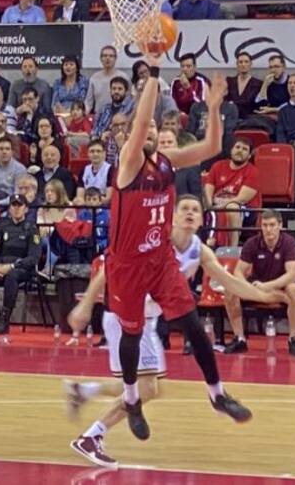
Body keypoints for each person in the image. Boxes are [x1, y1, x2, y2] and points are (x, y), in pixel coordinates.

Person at [63, 195, 272, 469]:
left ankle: (84, 392)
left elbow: (229, 282)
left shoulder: (199, 250)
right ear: (171, 216)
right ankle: (92, 436)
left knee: (150, 388)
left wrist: (261, 294)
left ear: (201, 219)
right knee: (148, 387)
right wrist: (86, 305)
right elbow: (105, 271)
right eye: (184, 208)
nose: (189, 212)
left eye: (195, 209)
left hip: (148, 321)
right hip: (123, 317)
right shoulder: (152, 241)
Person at [106, 55, 249, 440]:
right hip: (127, 264)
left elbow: (213, 145)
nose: (149, 129)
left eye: (156, 126)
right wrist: (154, 73)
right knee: (133, 335)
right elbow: (138, 120)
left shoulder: (168, 162)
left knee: (191, 324)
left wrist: (215, 108)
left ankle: (217, 393)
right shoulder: (128, 164)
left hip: (159, 259)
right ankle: (132, 398)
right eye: (146, 127)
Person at [221, 209, 295, 356]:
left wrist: (267, 287)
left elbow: (291, 275)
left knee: (294, 289)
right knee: (230, 289)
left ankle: (293, 339)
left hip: (279, 286)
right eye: (265, 225)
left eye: (272, 225)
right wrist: (247, 288)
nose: (268, 229)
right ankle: (239, 339)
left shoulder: (289, 242)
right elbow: (238, 272)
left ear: (280, 225)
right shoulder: (252, 243)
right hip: (257, 286)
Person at [0, 193, 43, 334]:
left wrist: (10, 267)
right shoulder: (2, 226)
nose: (16, 209)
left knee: (12, 276)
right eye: (13, 206)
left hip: (20, 269)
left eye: (19, 206)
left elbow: (33, 258)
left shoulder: (32, 229)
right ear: (9, 208)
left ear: (26, 209)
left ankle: (4, 319)